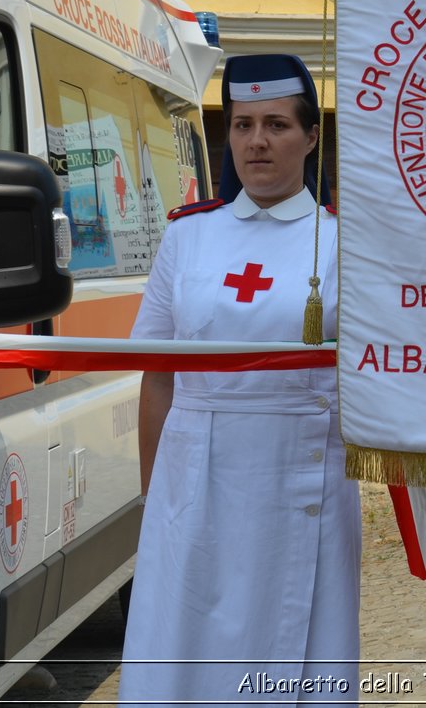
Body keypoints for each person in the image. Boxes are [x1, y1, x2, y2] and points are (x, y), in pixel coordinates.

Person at [119, 54, 359, 706]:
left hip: (305, 478)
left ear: (312, 136)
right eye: (244, 124)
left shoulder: (345, 242)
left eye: (278, 124)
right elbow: (160, 377)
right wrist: (155, 502)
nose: (257, 141)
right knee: (185, 658)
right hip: (194, 484)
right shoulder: (187, 239)